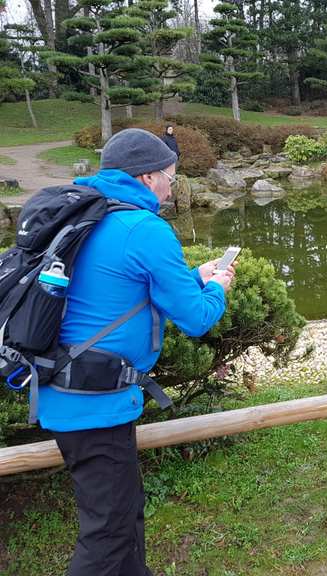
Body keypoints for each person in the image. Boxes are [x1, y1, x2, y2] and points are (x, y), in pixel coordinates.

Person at [37, 128, 234, 576]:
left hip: (67, 388)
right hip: (95, 404)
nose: (172, 186)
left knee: (125, 517)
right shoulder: (145, 227)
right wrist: (218, 286)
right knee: (107, 534)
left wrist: (192, 275)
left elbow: (117, 286)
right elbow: (197, 317)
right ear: (146, 178)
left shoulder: (88, 213)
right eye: (170, 175)